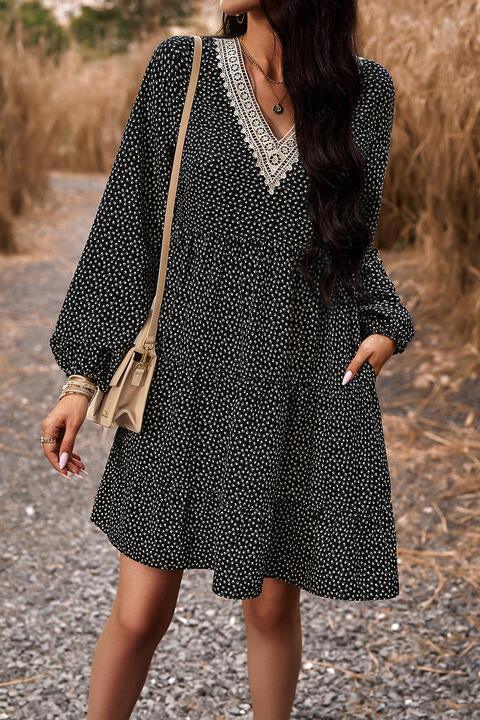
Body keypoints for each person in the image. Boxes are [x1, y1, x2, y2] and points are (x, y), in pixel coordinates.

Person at [41, 1, 415, 718]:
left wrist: (387, 323)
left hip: (292, 374)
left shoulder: (363, 92)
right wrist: (81, 378)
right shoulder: (181, 72)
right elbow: (129, 227)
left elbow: (352, 241)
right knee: (141, 610)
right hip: (186, 374)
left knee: (272, 608)